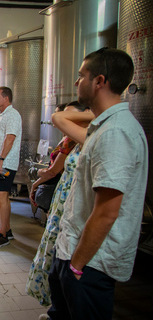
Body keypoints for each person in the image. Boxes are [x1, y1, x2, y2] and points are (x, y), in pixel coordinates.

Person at [45, 48, 147, 320]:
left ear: (100, 81)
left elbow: (106, 211)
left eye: (81, 76)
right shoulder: (104, 126)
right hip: (72, 251)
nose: (77, 83)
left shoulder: (116, 133)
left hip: (90, 264)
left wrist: (76, 265)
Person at [26, 102, 92, 307]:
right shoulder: (71, 141)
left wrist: (37, 180)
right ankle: (55, 304)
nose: (67, 121)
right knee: (54, 254)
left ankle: (62, 306)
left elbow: (54, 170)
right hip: (62, 201)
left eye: (74, 117)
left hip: (77, 206)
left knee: (68, 260)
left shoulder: (91, 140)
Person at [29, 102, 88, 212]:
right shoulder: (68, 139)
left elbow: (52, 172)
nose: (66, 119)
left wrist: (39, 175)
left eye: (70, 115)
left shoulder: (75, 139)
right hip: (63, 188)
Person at [0, 86, 22, 248]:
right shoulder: (2, 115)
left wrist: (1, 159)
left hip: (6, 163)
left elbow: (10, 138)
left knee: (1, 196)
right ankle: (5, 229)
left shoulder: (13, 115)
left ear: (6, 98)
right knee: (2, 196)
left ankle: (3, 236)